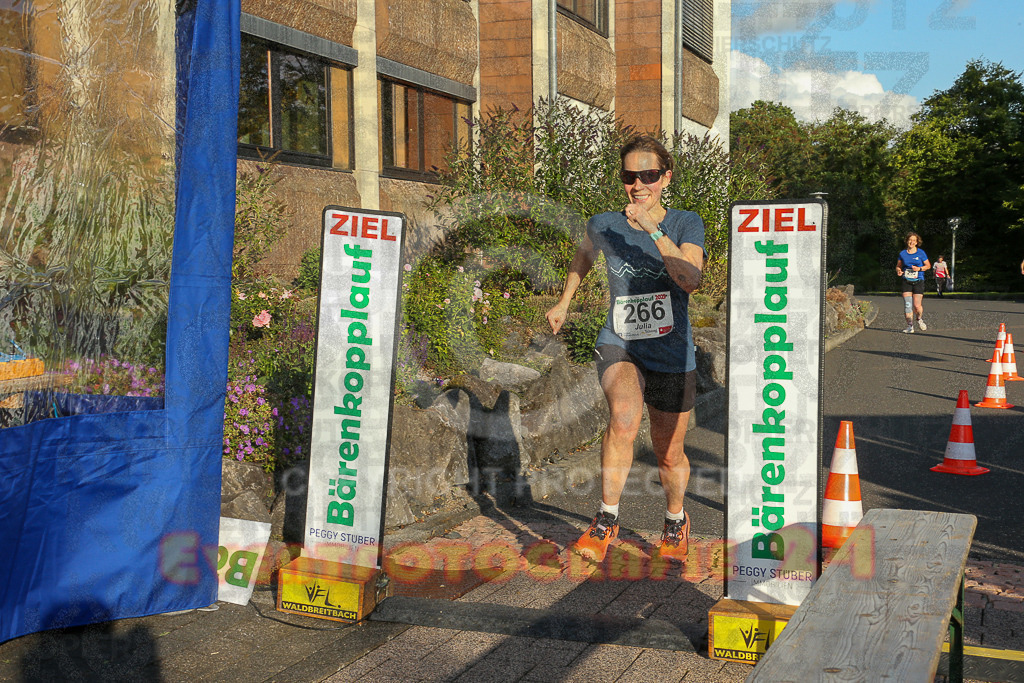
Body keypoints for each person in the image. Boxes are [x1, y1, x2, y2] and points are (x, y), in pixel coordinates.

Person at [546, 135, 705, 564]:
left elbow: (690, 278)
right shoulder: (603, 223)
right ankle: (606, 519)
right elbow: (582, 257)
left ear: (665, 178)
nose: (638, 185)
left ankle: (675, 521)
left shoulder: (687, 223)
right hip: (621, 340)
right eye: (629, 176)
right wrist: (564, 301)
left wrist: (654, 228)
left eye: (648, 176)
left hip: (672, 350)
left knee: (668, 450)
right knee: (622, 418)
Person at [896, 232, 930, 333]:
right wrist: (898, 270)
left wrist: (919, 268)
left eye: (914, 240)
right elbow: (898, 266)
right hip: (906, 281)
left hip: (918, 280)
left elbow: (928, 266)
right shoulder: (902, 253)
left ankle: (919, 319)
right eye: (910, 240)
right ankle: (910, 326)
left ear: (917, 242)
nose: (912, 242)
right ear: (907, 241)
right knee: (907, 304)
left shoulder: (921, 253)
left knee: (917, 306)